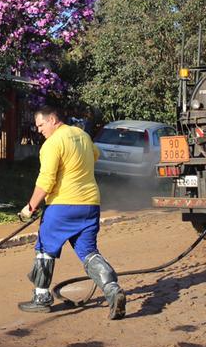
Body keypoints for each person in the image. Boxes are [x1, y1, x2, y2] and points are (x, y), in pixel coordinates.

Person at [17, 104, 125, 319]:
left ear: (52, 119)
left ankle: (41, 298)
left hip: (63, 205)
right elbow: (95, 155)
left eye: (41, 125)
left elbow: (46, 180)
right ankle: (112, 289)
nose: (39, 130)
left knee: (45, 249)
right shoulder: (82, 135)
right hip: (90, 205)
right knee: (88, 251)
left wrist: (30, 207)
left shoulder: (52, 143)